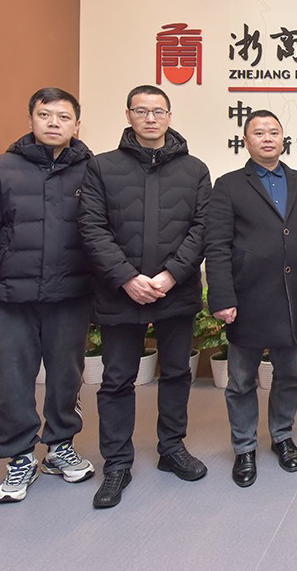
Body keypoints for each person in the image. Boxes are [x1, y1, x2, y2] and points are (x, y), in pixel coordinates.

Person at [79, 85, 211, 508]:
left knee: (176, 373)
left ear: (169, 116)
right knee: (117, 378)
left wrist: (171, 275)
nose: (150, 118)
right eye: (142, 111)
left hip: (176, 290)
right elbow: (92, 227)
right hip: (120, 292)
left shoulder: (195, 169)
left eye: (158, 111)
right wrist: (127, 278)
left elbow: (201, 229)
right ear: (128, 115)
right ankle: (117, 463)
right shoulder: (101, 167)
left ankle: (171, 448)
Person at [0, 88, 95, 503]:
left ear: (77, 124)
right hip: (12, 297)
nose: (54, 123)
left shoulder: (93, 171)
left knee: (67, 377)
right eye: (45, 115)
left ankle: (60, 447)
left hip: (71, 295)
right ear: (30, 120)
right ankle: (20, 456)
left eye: (63, 116)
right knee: (11, 380)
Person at [205, 109, 297, 487]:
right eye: (259, 133)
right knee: (242, 379)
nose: (268, 138)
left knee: (289, 374)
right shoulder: (228, 185)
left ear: (283, 139)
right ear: (246, 141)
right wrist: (222, 297)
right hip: (247, 297)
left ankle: (282, 436)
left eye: (274, 132)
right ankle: (244, 447)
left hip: (292, 295)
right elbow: (217, 245)